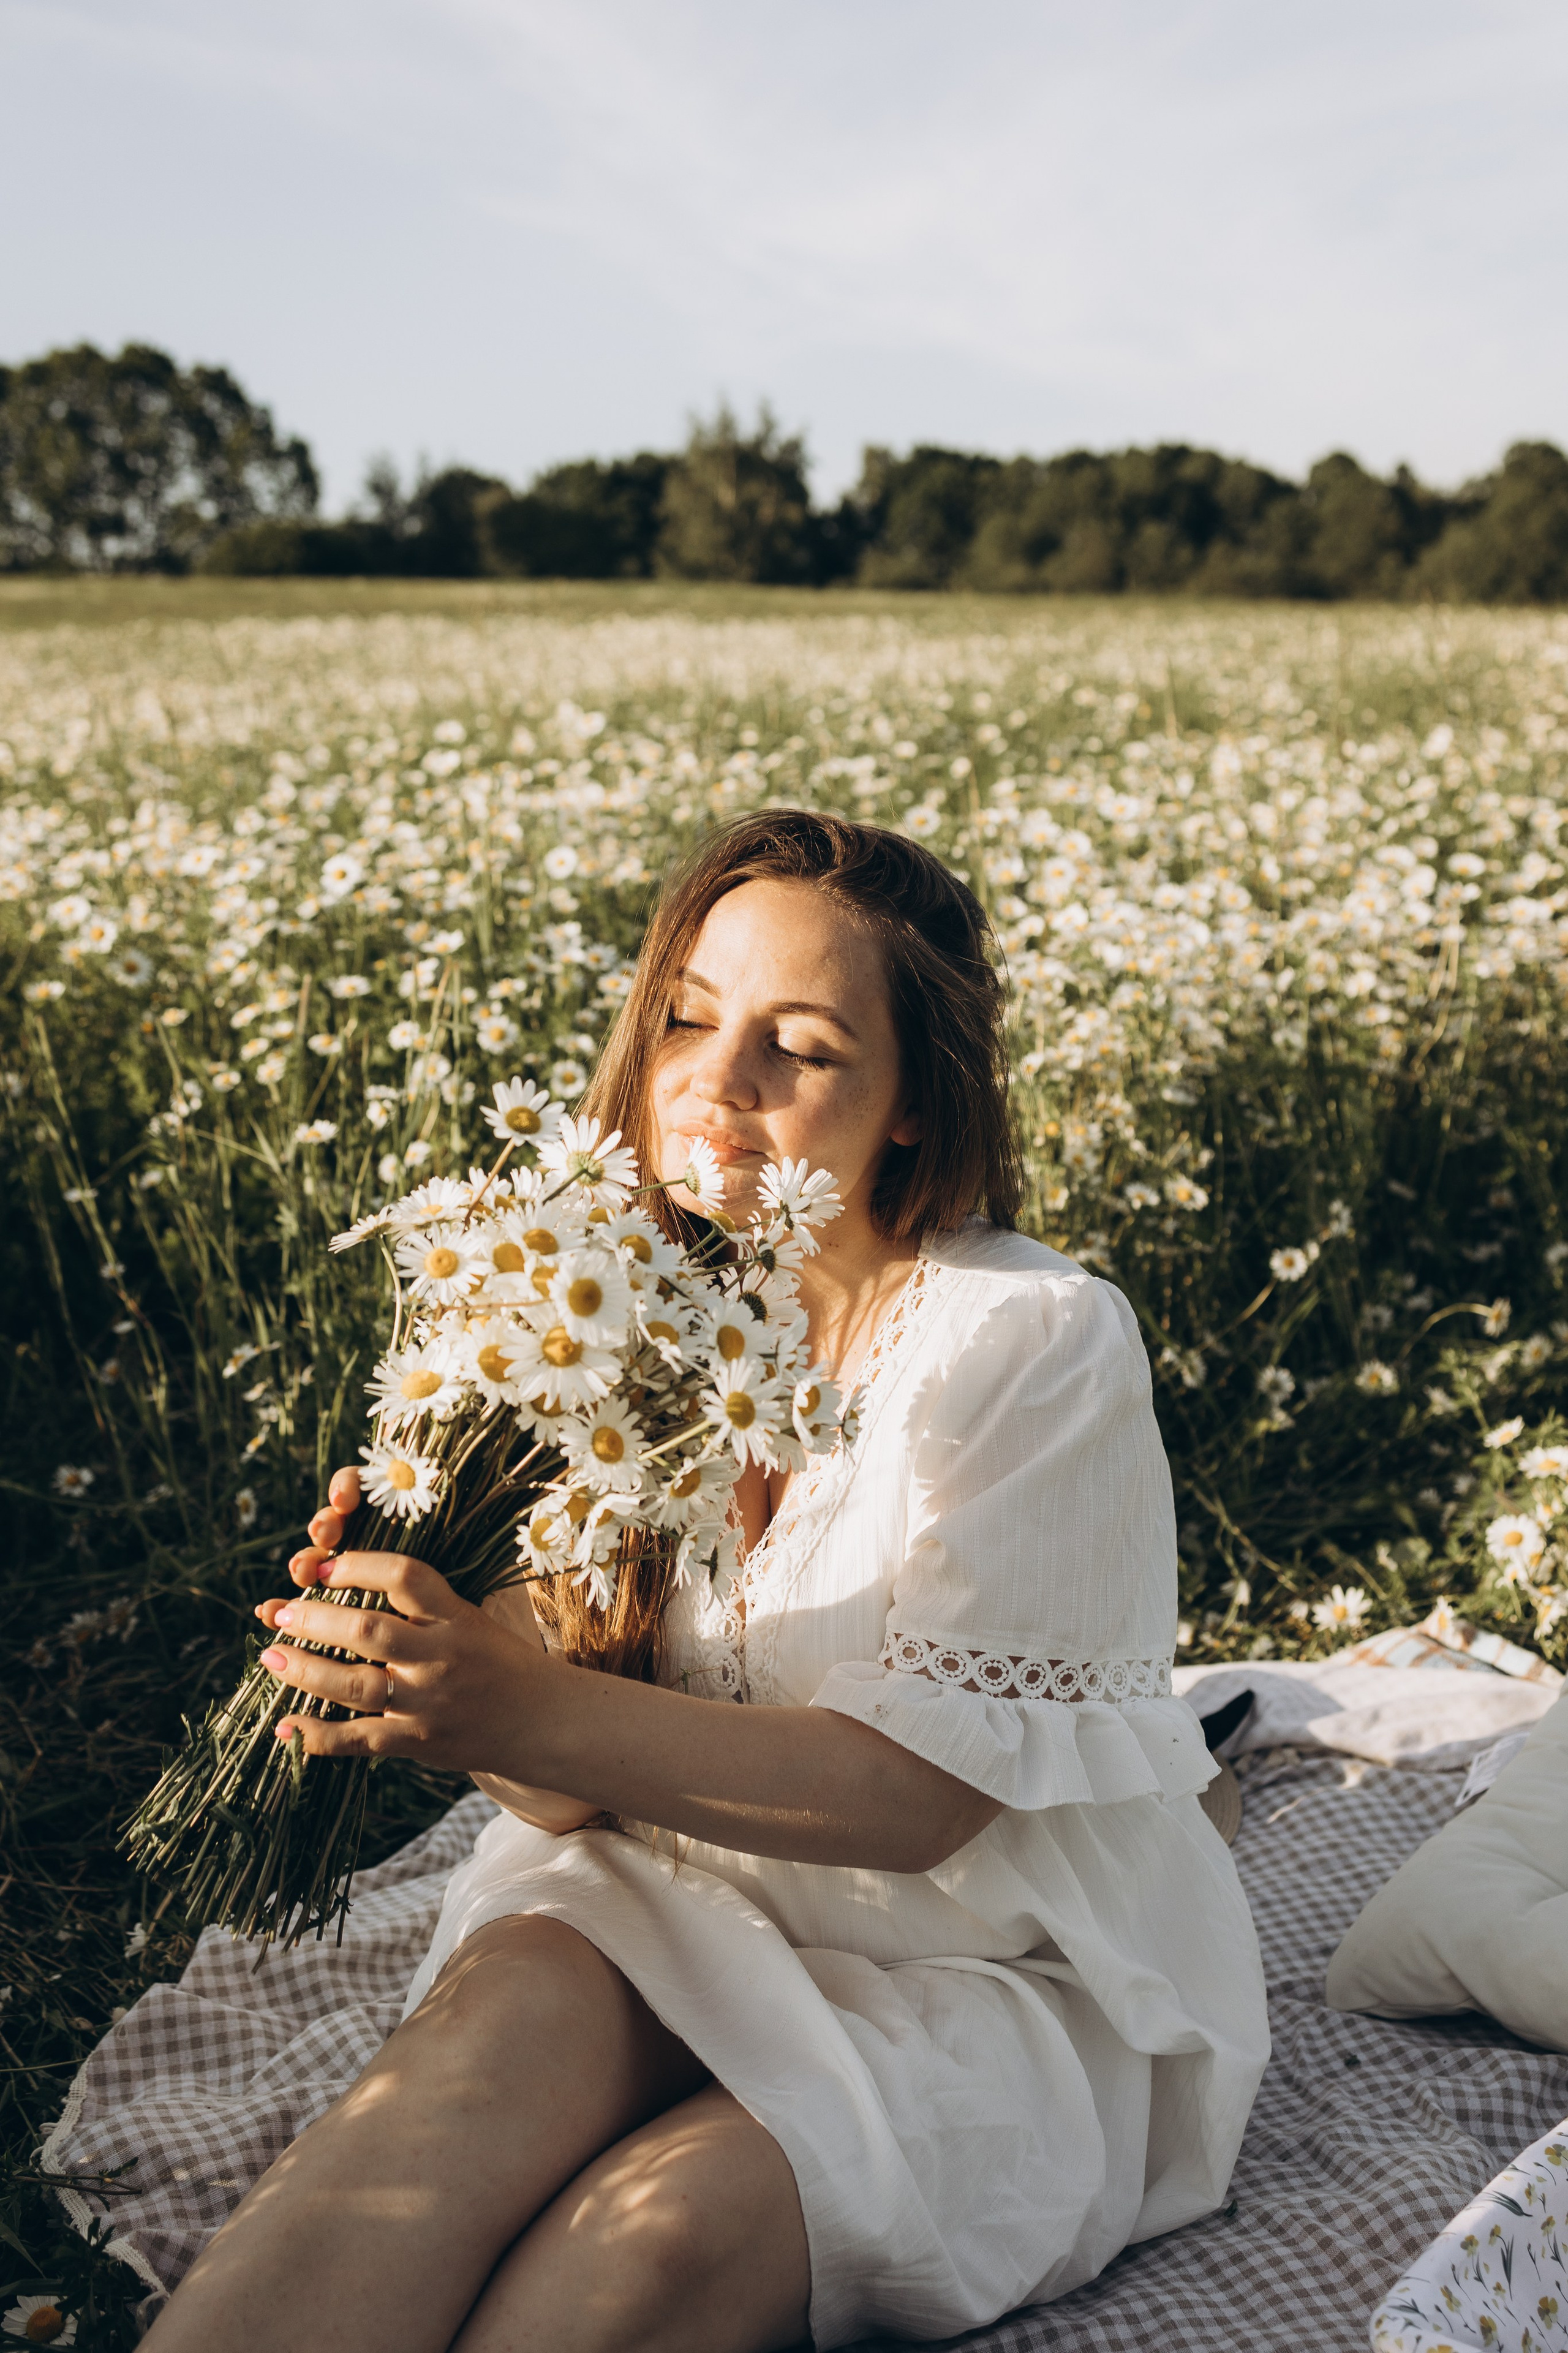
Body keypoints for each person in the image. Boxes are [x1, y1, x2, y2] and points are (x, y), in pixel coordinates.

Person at [143, 810, 1268, 2353]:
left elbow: (920, 1802)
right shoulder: (599, 1311)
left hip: (972, 1967)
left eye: (796, 1048)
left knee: (639, 2254)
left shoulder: (1032, 1340)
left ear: (911, 1114)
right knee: (407, 2145)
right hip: (668, 1898)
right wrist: (445, 1663)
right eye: (685, 1018)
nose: (713, 1086)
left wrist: (513, 1704)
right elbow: (564, 1794)